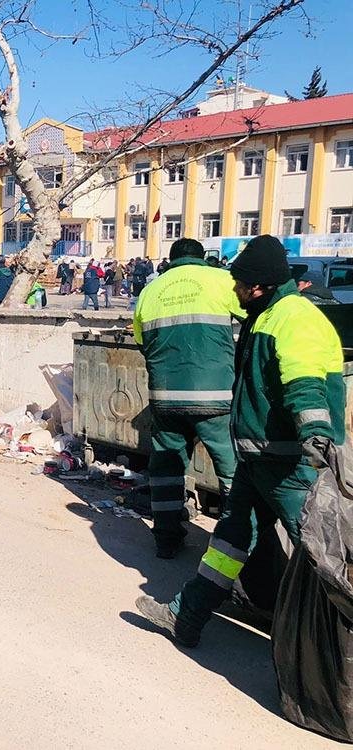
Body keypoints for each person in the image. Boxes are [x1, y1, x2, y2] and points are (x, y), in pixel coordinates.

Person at [136, 235, 345, 646]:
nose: (233, 289)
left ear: (259, 286)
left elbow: (303, 383)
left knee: (321, 551)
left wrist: (315, 434)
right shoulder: (265, 314)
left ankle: (338, 637)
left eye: (239, 284)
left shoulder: (293, 317)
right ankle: (186, 615)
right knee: (229, 540)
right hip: (258, 457)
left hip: (288, 461)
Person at [132, 238, 244, 558]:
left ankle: (166, 540)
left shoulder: (151, 290)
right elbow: (251, 325)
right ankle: (233, 545)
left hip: (166, 398)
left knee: (167, 470)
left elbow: (143, 343)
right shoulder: (222, 280)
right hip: (216, 399)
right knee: (232, 472)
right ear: (202, 258)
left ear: (170, 260)